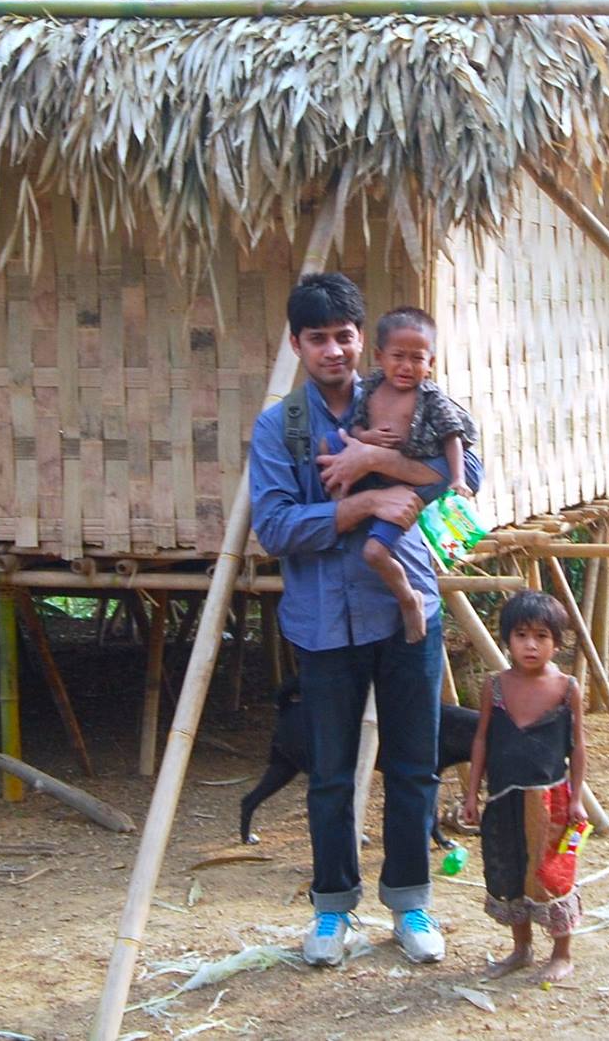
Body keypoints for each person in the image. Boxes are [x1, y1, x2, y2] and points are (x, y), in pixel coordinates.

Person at [249, 272, 483, 968]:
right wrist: (364, 505)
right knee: (328, 773)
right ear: (297, 344)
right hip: (322, 622)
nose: (333, 350)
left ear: (362, 338)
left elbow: (467, 467)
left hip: (408, 610)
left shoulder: (410, 397)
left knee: (413, 763)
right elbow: (274, 525)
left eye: (344, 336)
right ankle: (332, 911)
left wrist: (378, 459)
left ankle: (410, 905)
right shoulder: (281, 426)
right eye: (317, 338)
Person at [461, 589, 587, 983]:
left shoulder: (567, 688)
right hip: (503, 798)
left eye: (542, 636)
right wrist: (471, 794)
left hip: (551, 798)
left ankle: (562, 953)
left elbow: (578, 745)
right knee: (510, 871)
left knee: (550, 874)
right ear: (507, 640)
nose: (531, 645)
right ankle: (521, 948)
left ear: (557, 642)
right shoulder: (494, 687)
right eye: (521, 635)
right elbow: (481, 739)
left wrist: (578, 799)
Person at [346, 306, 478, 645]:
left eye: (417, 359)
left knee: (431, 544)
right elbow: (356, 425)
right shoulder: (370, 389)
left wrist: (457, 480)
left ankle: (418, 597)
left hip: (424, 483)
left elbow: (453, 437)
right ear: (378, 356)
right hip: (392, 493)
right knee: (374, 553)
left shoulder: (430, 397)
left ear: (430, 363)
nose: (407, 367)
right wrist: (365, 438)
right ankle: (409, 597)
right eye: (398, 357)